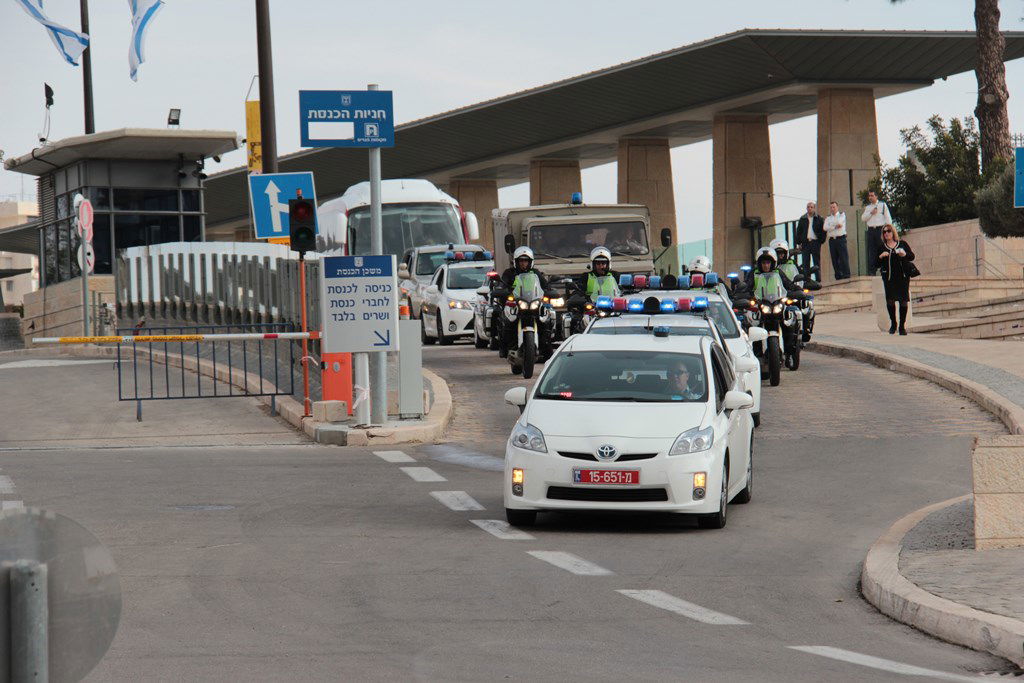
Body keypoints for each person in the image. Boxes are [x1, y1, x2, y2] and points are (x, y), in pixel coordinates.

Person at [498, 246, 550, 357]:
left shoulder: (535, 273)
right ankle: (505, 347)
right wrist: (501, 289)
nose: (523, 263)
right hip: (515, 303)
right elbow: (502, 284)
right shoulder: (509, 273)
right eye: (521, 261)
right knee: (506, 319)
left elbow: (545, 286)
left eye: (526, 261)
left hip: (533, 301)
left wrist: (549, 291)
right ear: (516, 261)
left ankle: (546, 347)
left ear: (530, 262)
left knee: (547, 319)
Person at [878, 224, 915, 335]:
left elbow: (912, 256)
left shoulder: (902, 244)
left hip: (902, 276)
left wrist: (904, 254)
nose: (886, 233)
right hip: (889, 277)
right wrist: (881, 256)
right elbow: (875, 264)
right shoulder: (882, 247)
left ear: (893, 232)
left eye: (888, 231)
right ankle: (893, 323)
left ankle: (902, 326)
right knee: (890, 300)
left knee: (903, 300)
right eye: (884, 232)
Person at [861, 190, 893, 275]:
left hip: (880, 229)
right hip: (871, 230)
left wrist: (889, 229)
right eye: (869, 196)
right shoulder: (868, 207)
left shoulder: (882, 205)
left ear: (876, 196)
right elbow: (863, 218)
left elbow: (888, 218)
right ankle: (872, 271)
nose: (870, 197)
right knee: (872, 251)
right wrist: (871, 213)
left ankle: (884, 268)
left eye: (872, 195)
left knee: (882, 248)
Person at [795, 201, 825, 282]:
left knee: (816, 262)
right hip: (806, 243)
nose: (809, 208)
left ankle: (818, 280)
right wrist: (799, 243)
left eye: (811, 207)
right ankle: (807, 280)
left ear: (814, 208)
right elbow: (799, 231)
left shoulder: (819, 218)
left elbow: (823, 231)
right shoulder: (803, 219)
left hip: (815, 242)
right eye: (808, 207)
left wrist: (821, 241)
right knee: (805, 262)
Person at [823, 200, 850, 280]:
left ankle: (846, 274)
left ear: (837, 207)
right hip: (832, 240)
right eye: (831, 207)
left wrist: (831, 226)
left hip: (840, 239)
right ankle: (838, 276)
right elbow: (825, 228)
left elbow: (839, 223)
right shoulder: (828, 218)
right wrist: (834, 226)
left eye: (834, 207)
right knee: (834, 259)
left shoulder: (842, 215)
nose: (832, 209)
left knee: (843, 257)